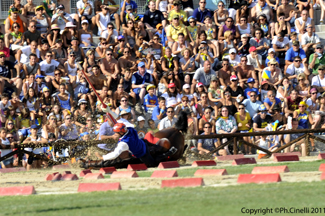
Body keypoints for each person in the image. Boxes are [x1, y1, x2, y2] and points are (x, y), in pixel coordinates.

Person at [94, 122, 177, 167]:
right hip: (143, 143)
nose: (114, 134)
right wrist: (108, 110)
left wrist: (103, 157)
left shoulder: (123, 143)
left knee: (153, 163)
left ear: (120, 132)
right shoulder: (130, 129)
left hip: (142, 153)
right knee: (156, 148)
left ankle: (169, 153)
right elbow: (118, 119)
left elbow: (115, 154)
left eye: (116, 133)